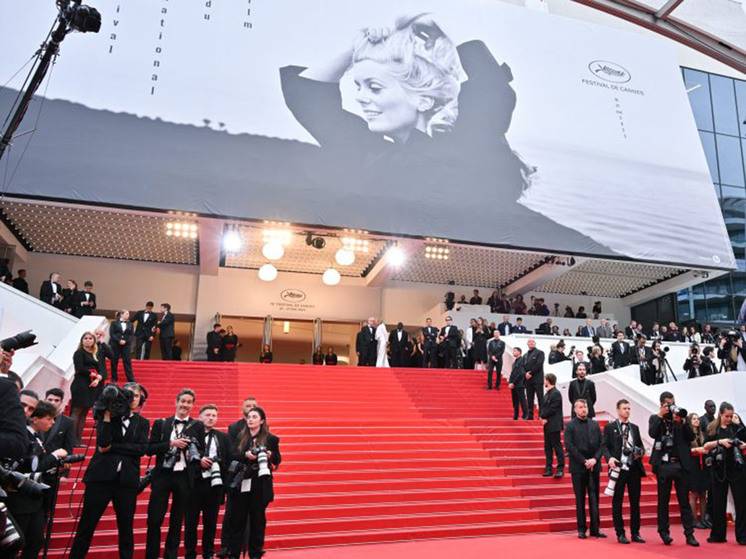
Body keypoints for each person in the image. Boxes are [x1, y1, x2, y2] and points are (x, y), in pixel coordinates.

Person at [69, 383, 150, 559]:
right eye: (128, 394)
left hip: (127, 481)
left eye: (136, 396)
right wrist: (106, 415)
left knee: (126, 528)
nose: (132, 399)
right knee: (86, 526)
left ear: (141, 400)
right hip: (100, 478)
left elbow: (141, 449)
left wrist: (113, 447)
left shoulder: (143, 423)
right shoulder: (107, 416)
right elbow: (103, 443)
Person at [145, 388, 205, 559]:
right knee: (154, 519)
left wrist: (193, 454)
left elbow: (201, 450)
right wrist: (171, 444)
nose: (185, 405)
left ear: (192, 405)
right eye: (183, 401)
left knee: (177, 521)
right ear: (176, 402)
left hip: (184, 477)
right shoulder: (161, 423)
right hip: (162, 475)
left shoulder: (198, 426)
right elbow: (149, 449)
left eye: (189, 402)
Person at [6, 402, 68, 559]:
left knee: (36, 540)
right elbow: (32, 467)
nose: (52, 422)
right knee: (16, 542)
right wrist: (54, 456)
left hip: (36, 498)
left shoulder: (38, 436)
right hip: (20, 497)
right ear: (35, 419)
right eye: (49, 419)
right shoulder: (22, 437)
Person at [224, 407, 281, 559]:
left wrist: (270, 455)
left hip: (260, 483)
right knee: (237, 520)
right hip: (241, 481)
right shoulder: (239, 437)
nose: (250, 419)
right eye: (249, 417)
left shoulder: (271, 439)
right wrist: (245, 455)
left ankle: (255, 553)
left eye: (254, 417)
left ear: (262, 421)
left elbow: (277, 460)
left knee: (258, 521)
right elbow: (231, 455)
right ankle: (234, 553)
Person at [649, 391, 698, 546]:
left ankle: (689, 534)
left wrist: (682, 422)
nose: (672, 406)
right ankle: (664, 532)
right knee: (663, 501)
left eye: (673, 402)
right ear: (662, 404)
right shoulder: (656, 418)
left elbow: (691, 437)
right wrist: (660, 416)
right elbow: (652, 433)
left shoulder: (680, 419)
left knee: (684, 502)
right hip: (664, 465)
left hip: (680, 466)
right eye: (669, 404)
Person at [184, 404, 230, 559]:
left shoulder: (223, 437)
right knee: (191, 523)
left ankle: (208, 554)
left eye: (214, 415)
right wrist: (199, 462)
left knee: (210, 523)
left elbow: (228, 461)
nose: (211, 418)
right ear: (200, 417)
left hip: (214, 485)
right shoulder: (189, 435)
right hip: (194, 484)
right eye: (208, 415)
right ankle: (190, 554)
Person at [601, 399, 646, 545]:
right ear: (618, 410)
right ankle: (620, 533)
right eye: (625, 408)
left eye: (629, 408)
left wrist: (640, 452)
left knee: (635, 502)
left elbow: (641, 446)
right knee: (617, 502)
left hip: (634, 469)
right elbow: (604, 446)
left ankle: (635, 533)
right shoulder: (610, 428)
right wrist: (609, 458)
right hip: (618, 469)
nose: (627, 411)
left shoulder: (635, 428)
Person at [703, 402, 746, 544]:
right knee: (718, 502)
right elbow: (706, 446)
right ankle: (718, 535)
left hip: (737, 468)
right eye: (727, 416)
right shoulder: (712, 429)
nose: (729, 419)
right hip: (718, 469)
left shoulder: (737, 428)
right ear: (720, 414)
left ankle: (742, 536)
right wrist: (721, 442)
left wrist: (742, 444)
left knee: (741, 502)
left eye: (731, 416)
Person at [564, 399, 605, 539]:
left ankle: (595, 529)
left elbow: (602, 444)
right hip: (578, 467)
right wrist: (584, 461)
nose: (584, 409)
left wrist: (595, 459)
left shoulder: (594, 424)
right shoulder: (570, 426)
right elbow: (569, 446)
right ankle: (581, 529)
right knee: (580, 499)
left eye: (585, 406)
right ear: (575, 410)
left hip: (594, 466)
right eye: (581, 407)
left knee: (595, 498)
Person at [71, 332, 105, 444]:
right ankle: (72, 440)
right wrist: (93, 374)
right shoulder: (79, 353)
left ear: (94, 341)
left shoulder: (95, 354)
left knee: (84, 413)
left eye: (90, 338)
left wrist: (97, 379)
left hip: (92, 386)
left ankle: (78, 440)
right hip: (80, 385)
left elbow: (100, 369)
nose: (88, 340)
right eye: (85, 338)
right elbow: (80, 368)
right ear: (82, 340)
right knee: (77, 411)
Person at [686, 413, 708, 530]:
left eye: (697, 419)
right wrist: (697, 450)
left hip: (703, 466)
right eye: (694, 419)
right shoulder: (688, 435)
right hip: (693, 465)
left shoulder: (702, 434)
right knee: (694, 493)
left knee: (703, 493)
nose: (697, 420)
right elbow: (685, 451)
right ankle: (694, 519)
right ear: (690, 421)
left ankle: (703, 519)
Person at [540, 373, 564, 478]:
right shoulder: (547, 394)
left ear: (548, 381)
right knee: (548, 448)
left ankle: (560, 469)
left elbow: (553, 408)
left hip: (554, 425)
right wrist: (542, 417)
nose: (544, 381)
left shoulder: (556, 393)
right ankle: (548, 468)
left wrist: (543, 416)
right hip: (547, 425)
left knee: (557, 447)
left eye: (545, 379)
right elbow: (544, 408)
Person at [43, 388, 77, 456]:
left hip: (55, 459)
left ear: (61, 402)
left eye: (57, 400)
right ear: (45, 400)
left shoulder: (68, 422)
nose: (53, 403)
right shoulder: (35, 418)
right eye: (50, 400)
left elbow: (68, 447)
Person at [111, 309, 135, 382]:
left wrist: (126, 341)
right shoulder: (114, 323)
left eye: (128, 314)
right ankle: (114, 378)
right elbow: (112, 333)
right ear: (121, 314)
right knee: (114, 360)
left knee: (127, 361)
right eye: (126, 314)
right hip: (116, 344)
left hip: (126, 344)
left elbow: (131, 335)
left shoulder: (130, 324)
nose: (128, 315)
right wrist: (119, 340)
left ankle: (130, 379)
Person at [523, 338, 544, 420]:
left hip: (537, 379)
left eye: (533, 341)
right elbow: (523, 366)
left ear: (535, 343)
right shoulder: (525, 355)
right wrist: (525, 373)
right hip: (528, 380)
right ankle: (530, 415)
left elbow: (539, 364)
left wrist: (530, 373)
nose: (531, 343)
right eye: (529, 342)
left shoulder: (540, 353)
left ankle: (541, 415)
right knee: (529, 398)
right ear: (527, 344)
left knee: (540, 398)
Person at [508, 347, 527, 420]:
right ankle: (516, 415)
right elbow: (512, 373)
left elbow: (521, 373)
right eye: (513, 351)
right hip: (514, 384)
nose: (513, 352)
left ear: (519, 352)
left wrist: (513, 383)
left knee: (522, 400)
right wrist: (510, 382)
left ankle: (525, 415)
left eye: (515, 351)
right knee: (515, 401)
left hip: (519, 384)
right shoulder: (515, 362)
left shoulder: (522, 360)